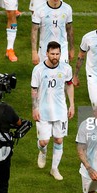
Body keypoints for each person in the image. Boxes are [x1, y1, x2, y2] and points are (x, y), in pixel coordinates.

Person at [31, 41, 75, 180]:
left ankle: (54, 169)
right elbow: (34, 90)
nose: (55, 57)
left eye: (57, 54)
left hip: (60, 110)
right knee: (44, 141)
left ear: (60, 54)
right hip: (43, 110)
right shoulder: (38, 70)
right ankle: (42, 152)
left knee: (59, 139)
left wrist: (72, 104)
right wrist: (35, 108)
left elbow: (69, 85)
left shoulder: (66, 68)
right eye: (52, 54)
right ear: (47, 53)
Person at [30, 0, 74, 65]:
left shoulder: (67, 9)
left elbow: (70, 29)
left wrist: (72, 49)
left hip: (62, 49)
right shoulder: (39, 9)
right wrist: (34, 51)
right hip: (44, 49)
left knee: (63, 76)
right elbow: (34, 30)